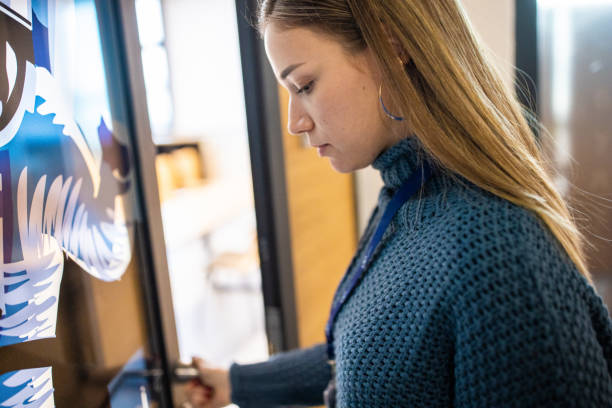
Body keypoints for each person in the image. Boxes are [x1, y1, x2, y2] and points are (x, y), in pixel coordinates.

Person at [186, 1, 612, 407]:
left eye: (305, 86)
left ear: (391, 48)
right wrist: (237, 384)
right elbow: (373, 354)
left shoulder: (496, 250)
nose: (296, 122)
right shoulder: (406, 199)